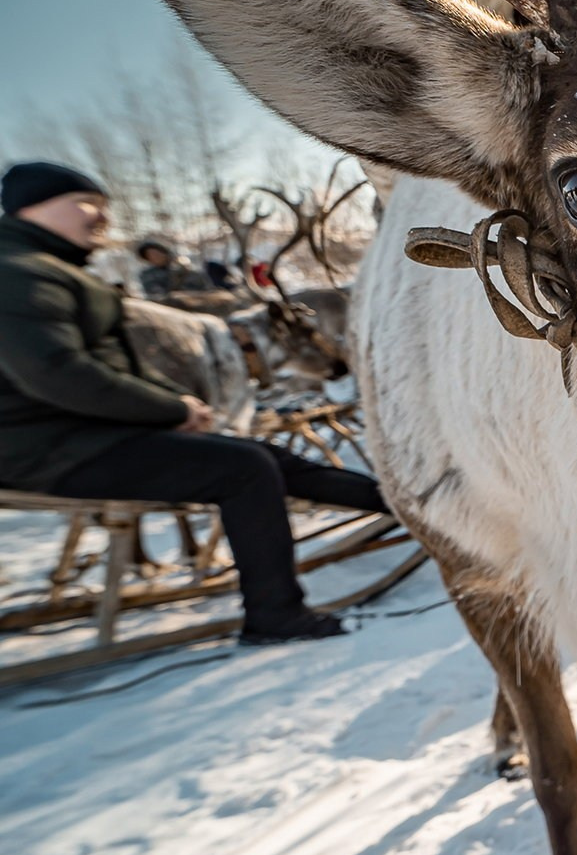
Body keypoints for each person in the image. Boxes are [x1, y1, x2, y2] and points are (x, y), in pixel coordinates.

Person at [0, 161, 388, 644]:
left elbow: (113, 367)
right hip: (44, 448)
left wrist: (175, 404)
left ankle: (407, 506)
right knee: (244, 469)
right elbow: (57, 374)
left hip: (78, 435)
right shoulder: (18, 273)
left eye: (101, 204)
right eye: (85, 203)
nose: (100, 215)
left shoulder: (48, 269)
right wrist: (172, 411)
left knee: (267, 458)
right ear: (31, 206)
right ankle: (276, 616)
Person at [135, 238, 211, 301]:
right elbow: (156, 295)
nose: (154, 257)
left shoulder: (188, 269)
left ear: (164, 252)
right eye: (149, 255)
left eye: (156, 253)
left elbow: (206, 289)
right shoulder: (148, 275)